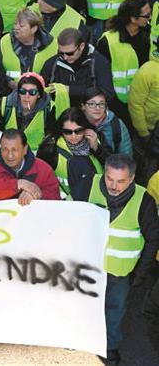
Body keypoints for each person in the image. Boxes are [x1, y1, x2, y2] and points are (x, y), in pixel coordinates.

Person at [87, 154, 159, 364]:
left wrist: (140, 273)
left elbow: (153, 238)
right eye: (110, 179)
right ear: (105, 173)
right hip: (90, 266)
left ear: (132, 179)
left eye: (121, 181)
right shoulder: (91, 184)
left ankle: (110, 348)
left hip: (120, 271)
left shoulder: (143, 199)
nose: (114, 186)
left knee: (115, 311)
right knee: (88, 305)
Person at [38, 107, 109, 200]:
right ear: (61, 130)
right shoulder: (50, 148)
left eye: (78, 131)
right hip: (68, 203)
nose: (73, 136)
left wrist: (97, 148)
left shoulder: (97, 138)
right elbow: (40, 177)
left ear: (85, 128)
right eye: (67, 132)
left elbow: (113, 165)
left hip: (98, 200)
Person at [40, 28, 116, 110]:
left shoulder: (99, 62)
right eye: (61, 53)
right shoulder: (52, 63)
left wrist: (71, 90)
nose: (65, 57)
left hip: (90, 118)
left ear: (82, 46)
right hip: (60, 118)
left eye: (70, 53)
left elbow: (107, 93)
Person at [0, 129, 61, 203]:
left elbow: (55, 198)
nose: (10, 156)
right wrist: (17, 184)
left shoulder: (44, 169)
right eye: (5, 149)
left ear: (25, 149)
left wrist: (38, 195)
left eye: (15, 150)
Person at [96, 0, 152, 106]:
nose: (150, 18)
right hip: (118, 102)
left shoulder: (151, 36)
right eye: (146, 16)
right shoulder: (108, 41)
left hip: (146, 98)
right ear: (133, 19)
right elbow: (100, 75)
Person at [0, 72, 59, 152]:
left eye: (32, 92)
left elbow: (50, 137)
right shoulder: (4, 104)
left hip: (37, 155)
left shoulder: (49, 109)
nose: (26, 96)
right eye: (22, 91)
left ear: (39, 95)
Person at [0, 8, 56, 85]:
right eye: (15, 24)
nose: (16, 28)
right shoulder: (5, 41)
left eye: (21, 25)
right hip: (9, 90)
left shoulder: (51, 45)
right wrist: (9, 81)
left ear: (33, 29)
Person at [128, 48, 159, 181]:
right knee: (146, 169)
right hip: (148, 132)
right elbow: (135, 104)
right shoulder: (147, 71)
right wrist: (144, 133)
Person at [82, 87, 132, 157]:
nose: (97, 108)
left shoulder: (116, 124)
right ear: (83, 106)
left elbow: (126, 157)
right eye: (92, 104)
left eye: (101, 104)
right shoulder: (77, 123)